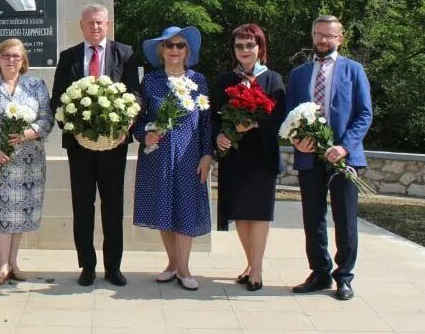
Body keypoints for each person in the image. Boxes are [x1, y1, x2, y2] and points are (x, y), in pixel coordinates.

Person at [49, 3, 141, 287]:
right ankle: (87, 266)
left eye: (100, 22)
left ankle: (113, 267)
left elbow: (135, 95)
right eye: (90, 23)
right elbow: (57, 101)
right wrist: (74, 129)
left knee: (113, 207)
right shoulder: (69, 57)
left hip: (115, 146)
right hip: (79, 147)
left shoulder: (124, 54)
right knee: (83, 207)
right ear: (81, 26)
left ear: (108, 24)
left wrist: (125, 125)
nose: (95, 27)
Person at [286, 15, 372, 302]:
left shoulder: (354, 70)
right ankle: (319, 272)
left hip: (343, 158)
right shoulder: (298, 74)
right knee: (313, 218)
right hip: (309, 158)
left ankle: (344, 277)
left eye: (329, 36)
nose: (323, 40)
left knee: (345, 219)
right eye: (318, 34)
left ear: (340, 38)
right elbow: (290, 116)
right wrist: (297, 140)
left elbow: (364, 114)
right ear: (312, 36)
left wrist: (344, 147)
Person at [133, 26, 213, 291]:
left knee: (185, 209)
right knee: (163, 209)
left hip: (189, 155)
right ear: (161, 51)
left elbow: (206, 121)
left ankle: (185, 267)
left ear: (187, 51)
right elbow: (139, 119)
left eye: (180, 46)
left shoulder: (198, 80)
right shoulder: (151, 81)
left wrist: (207, 155)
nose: (175, 50)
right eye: (170, 46)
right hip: (158, 156)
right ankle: (172, 264)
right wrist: (145, 136)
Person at [0, 39, 54, 285]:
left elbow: (47, 117)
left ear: (23, 60)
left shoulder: (36, 85)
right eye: (6, 55)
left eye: (16, 56)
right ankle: (2, 265)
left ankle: (14, 263)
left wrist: (29, 132)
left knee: (20, 213)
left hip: (29, 161)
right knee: (1, 212)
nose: (11, 60)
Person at [211, 24, 285, 291]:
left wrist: (253, 125)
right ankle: (250, 263)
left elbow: (279, 118)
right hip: (235, 156)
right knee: (241, 213)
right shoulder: (225, 81)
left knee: (260, 213)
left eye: (250, 45)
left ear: (260, 48)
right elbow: (214, 116)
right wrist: (219, 136)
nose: (244, 50)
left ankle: (257, 269)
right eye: (239, 46)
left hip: (262, 155)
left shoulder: (272, 79)